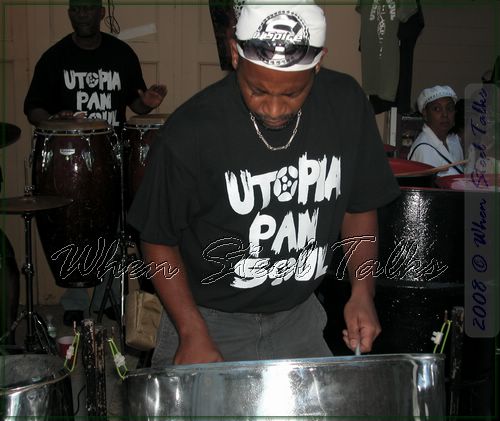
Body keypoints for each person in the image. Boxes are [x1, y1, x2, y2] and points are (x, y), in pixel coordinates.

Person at [128, 0, 400, 366]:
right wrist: (191, 332)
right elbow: (157, 238)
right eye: (257, 90)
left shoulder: (346, 105)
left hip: (298, 318)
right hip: (205, 319)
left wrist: (363, 291)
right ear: (234, 54)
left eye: (291, 94)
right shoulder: (191, 130)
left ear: (318, 63)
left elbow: (359, 205)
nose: (274, 109)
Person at [23, 0, 167, 326]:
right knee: (70, 226)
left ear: (101, 12)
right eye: (76, 9)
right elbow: (33, 108)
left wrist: (146, 103)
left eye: (88, 8)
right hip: (68, 159)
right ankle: (74, 299)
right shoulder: (55, 57)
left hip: (111, 154)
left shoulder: (121, 54)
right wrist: (54, 119)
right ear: (70, 13)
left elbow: (136, 105)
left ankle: (108, 297)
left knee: (112, 228)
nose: (82, 15)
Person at [408, 85, 464, 177]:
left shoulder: (454, 140)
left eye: (449, 108)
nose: (445, 114)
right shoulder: (423, 148)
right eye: (437, 109)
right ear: (425, 114)